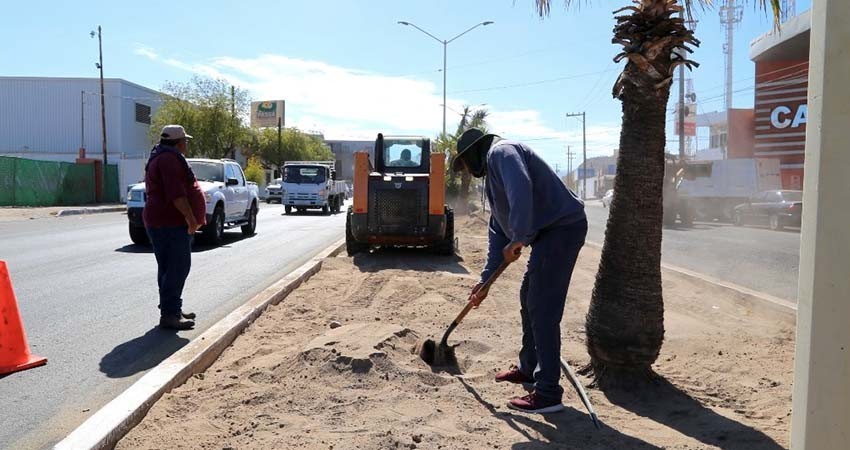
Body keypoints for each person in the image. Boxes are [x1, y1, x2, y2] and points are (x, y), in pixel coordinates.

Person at [452, 128, 587, 414]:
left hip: (562, 229)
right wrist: (484, 283)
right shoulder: (491, 181)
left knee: (542, 306)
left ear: (474, 153)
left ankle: (548, 392)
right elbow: (497, 233)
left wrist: (520, 236)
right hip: (547, 235)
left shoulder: (502, 152)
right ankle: (529, 368)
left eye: (464, 164)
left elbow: (521, 187)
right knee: (529, 297)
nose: (466, 172)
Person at [143, 125, 206, 330]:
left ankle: (172, 309)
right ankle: (170, 314)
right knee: (178, 267)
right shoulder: (169, 159)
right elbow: (176, 195)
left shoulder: (161, 156)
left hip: (160, 220)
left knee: (168, 267)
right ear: (179, 142)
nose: (186, 144)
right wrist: (190, 218)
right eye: (185, 141)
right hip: (169, 221)